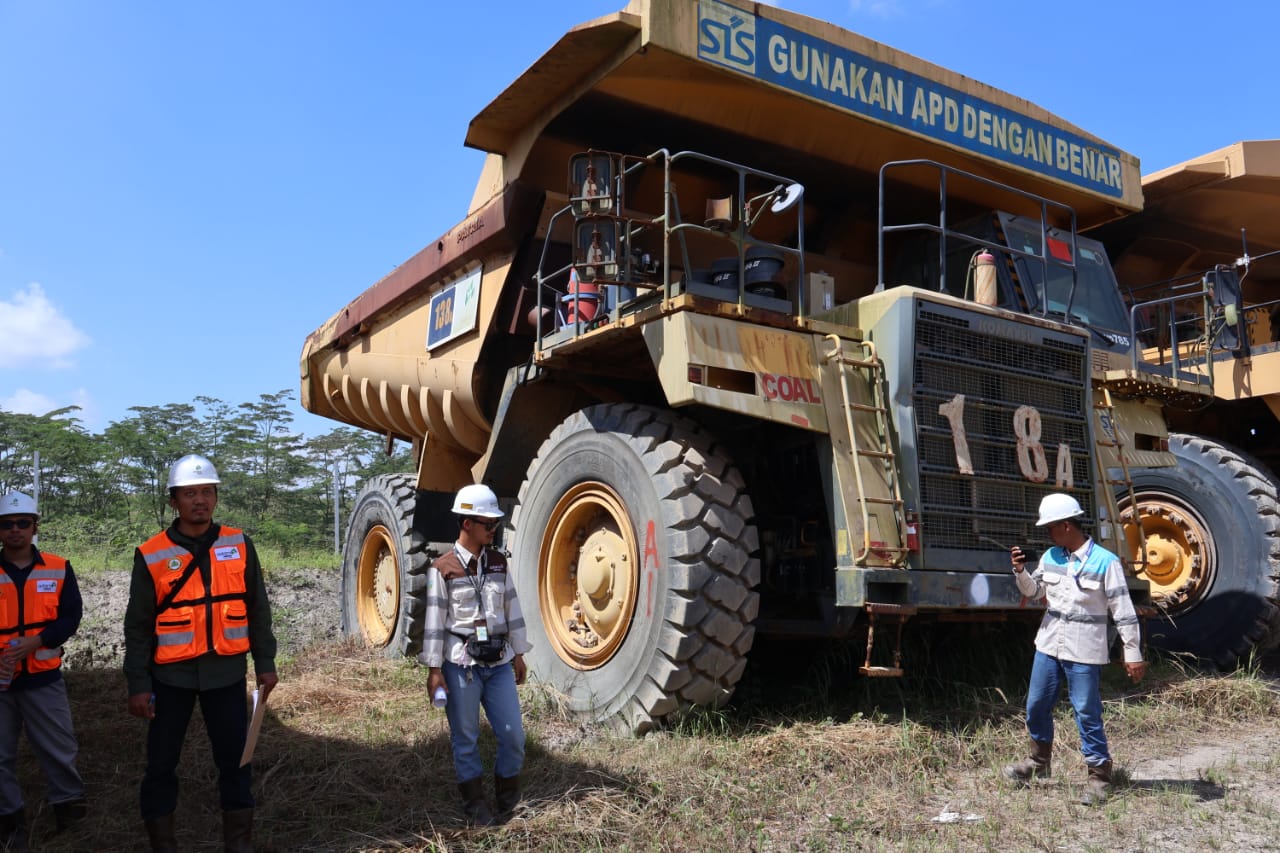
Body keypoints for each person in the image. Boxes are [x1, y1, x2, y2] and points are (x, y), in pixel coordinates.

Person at [124, 455, 278, 852]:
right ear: (174, 500)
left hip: (225, 675)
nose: (200, 500)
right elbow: (138, 627)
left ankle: (238, 843)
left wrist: (265, 663)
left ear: (215, 497)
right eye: (190, 493)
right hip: (170, 679)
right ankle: (164, 844)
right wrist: (138, 684)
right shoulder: (152, 553)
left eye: (207, 491)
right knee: (160, 765)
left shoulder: (240, 544)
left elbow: (258, 608)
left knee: (236, 762)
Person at [1002, 492, 1147, 805]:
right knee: (1036, 705)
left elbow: (1123, 611)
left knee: (1086, 711)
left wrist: (1132, 653)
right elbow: (1036, 590)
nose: (1048, 534)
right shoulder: (1051, 557)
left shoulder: (1105, 563)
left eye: (1050, 528)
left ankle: (1100, 776)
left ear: (1066, 526)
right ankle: (1038, 763)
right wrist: (1020, 572)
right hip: (1050, 644)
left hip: (1084, 650)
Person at [420, 484, 531, 827]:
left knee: (513, 734)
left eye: (495, 524)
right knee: (465, 736)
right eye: (487, 523)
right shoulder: (443, 568)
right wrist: (435, 670)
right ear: (466, 523)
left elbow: (512, 609)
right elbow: (435, 622)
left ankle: (508, 799)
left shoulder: (498, 562)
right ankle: (475, 804)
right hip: (461, 665)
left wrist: (519, 653)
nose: (493, 529)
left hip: (498, 663)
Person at [0, 491, 87, 848]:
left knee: (58, 748)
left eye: (23, 523)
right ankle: (10, 821)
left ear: (35, 526)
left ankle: (70, 815)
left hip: (43, 678)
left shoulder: (58, 566)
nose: (15, 530)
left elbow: (71, 617)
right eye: (7, 524)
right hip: (1, 682)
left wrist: (37, 642)